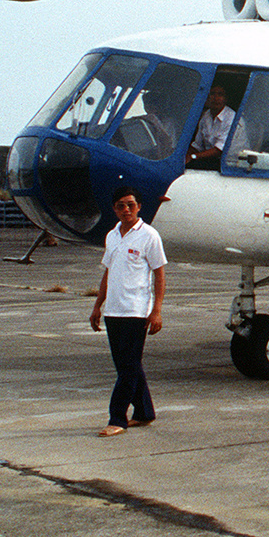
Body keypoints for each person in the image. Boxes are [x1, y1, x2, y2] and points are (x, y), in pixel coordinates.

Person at [89, 186, 167, 438]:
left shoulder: (149, 235)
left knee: (129, 366)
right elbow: (107, 272)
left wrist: (156, 311)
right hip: (114, 310)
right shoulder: (112, 236)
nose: (126, 210)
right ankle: (144, 412)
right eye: (121, 205)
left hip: (137, 310)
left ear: (139, 207)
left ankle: (117, 418)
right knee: (125, 365)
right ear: (114, 209)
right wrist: (97, 306)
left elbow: (159, 274)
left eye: (131, 205)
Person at [187, 84, 233, 168]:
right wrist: (185, 156)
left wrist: (193, 157)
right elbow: (197, 145)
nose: (216, 98)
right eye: (212, 94)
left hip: (230, 164)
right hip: (211, 160)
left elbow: (219, 150)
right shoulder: (206, 116)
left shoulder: (231, 118)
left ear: (225, 99)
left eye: (220, 95)